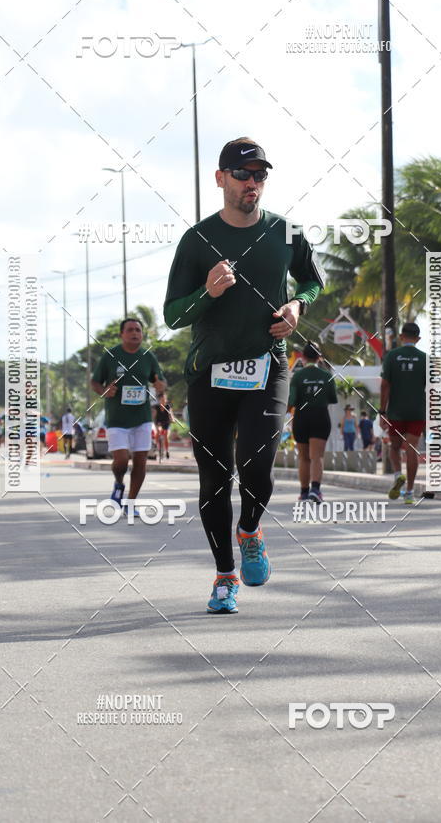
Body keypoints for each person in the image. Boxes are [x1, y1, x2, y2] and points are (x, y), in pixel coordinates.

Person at [164, 137, 324, 614]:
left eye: (260, 175)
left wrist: (298, 305)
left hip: (268, 364)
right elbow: (173, 316)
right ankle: (224, 575)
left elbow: (313, 281)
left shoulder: (285, 232)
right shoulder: (197, 240)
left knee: (258, 464)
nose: (252, 183)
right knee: (214, 479)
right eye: (242, 175)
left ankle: (251, 528)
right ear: (220, 179)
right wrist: (207, 293)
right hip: (209, 373)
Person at [91, 318, 166, 510]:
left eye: (138, 330)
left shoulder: (148, 357)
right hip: (117, 418)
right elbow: (95, 382)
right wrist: (105, 391)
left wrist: (160, 387)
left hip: (142, 418)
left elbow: (160, 381)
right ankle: (119, 483)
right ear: (121, 334)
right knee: (122, 461)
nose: (135, 333)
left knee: (140, 462)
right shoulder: (111, 356)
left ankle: (131, 502)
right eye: (130, 330)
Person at [380, 321, 427, 505]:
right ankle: (409, 492)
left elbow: (385, 385)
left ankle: (398, 474)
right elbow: (431, 388)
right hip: (417, 411)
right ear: (418, 338)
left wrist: (382, 411)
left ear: (401, 336)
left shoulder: (392, 356)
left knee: (394, 446)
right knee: (411, 450)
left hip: (395, 411)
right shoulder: (425, 358)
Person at [288, 341, 337, 502]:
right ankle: (315, 490)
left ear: (303, 356)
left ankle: (303, 492)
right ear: (319, 357)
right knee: (317, 456)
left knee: (303, 457)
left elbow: (292, 401)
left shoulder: (298, 376)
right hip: (320, 416)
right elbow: (332, 399)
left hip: (302, 417)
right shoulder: (327, 376)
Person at [154, 392, 173, 458]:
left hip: (166, 423)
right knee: (157, 432)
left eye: (164, 399)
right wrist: (155, 424)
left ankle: (167, 450)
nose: (163, 401)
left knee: (166, 435)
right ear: (159, 400)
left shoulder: (168, 407)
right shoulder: (156, 407)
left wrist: (172, 419)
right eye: (161, 399)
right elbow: (154, 416)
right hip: (158, 423)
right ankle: (155, 446)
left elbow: (171, 415)